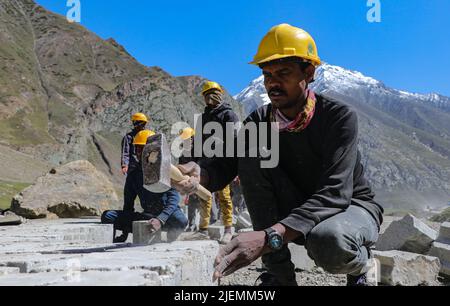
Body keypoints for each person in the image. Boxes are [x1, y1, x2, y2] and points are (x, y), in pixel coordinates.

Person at [174, 24, 384, 286]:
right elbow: (227, 165)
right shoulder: (261, 120)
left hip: (348, 206)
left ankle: (362, 265)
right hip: (298, 205)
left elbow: (335, 193)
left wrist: (268, 237)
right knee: (250, 157)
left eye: (283, 72)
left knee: (328, 242)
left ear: (309, 72)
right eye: (267, 74)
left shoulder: (337, 117)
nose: (273, 82)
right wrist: (200, 174)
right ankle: (280, 276)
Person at [103, 130, 188, 242]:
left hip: (168, 216)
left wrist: (160, 219)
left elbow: (174, 199)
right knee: (108, 216)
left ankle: (169, 239)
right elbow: (128, 205)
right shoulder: (133, 175)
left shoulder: (165, 170)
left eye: (142, 148)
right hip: (147, 216)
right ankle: (151, 226)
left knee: (181, 220)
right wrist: (124, 232)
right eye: (137, 149)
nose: (138, 153)